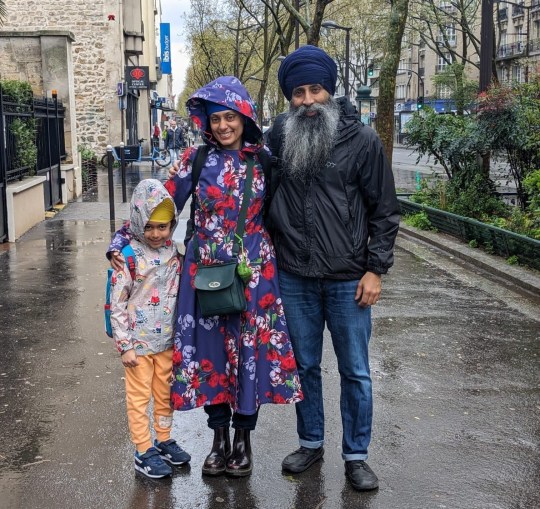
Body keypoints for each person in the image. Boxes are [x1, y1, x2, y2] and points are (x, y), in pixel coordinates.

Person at [110, 76, 303, 478]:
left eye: (230, 117)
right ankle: (217, 441)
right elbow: (156, 205)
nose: (223, 126)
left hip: (254, 273)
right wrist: (120, 245)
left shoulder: (265, 160)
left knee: (249, 358)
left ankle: (243, 443)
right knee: (212, 356)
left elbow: (290, 212)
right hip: (204, 275)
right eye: (216, 119)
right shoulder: (194, 161)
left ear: (245, 117)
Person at [264, 45, 400, 491]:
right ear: (289, 97)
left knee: (355, 370)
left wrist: (375, 270)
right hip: (295, 275)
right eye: (298, 92)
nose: (307, 101)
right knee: (304, 367)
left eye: (315, 89)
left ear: (330, 90)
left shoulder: (362, 141)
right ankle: (311, 442)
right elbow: (259, 197)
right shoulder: (278, 138)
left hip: (348, 279)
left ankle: (356, 456)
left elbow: (384, 210)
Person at [108, 179, 191, 479]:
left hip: (167, 343)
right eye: (150, 227)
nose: (156, 234)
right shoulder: (126, 257)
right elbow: (116, 304)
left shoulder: (175, 254)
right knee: (139, 399)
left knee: (165, 394)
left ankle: (164, 439)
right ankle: (143, 450)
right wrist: (124, 345)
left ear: (171, 225)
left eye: (163, 227)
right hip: (139, 348)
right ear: (139, 221)